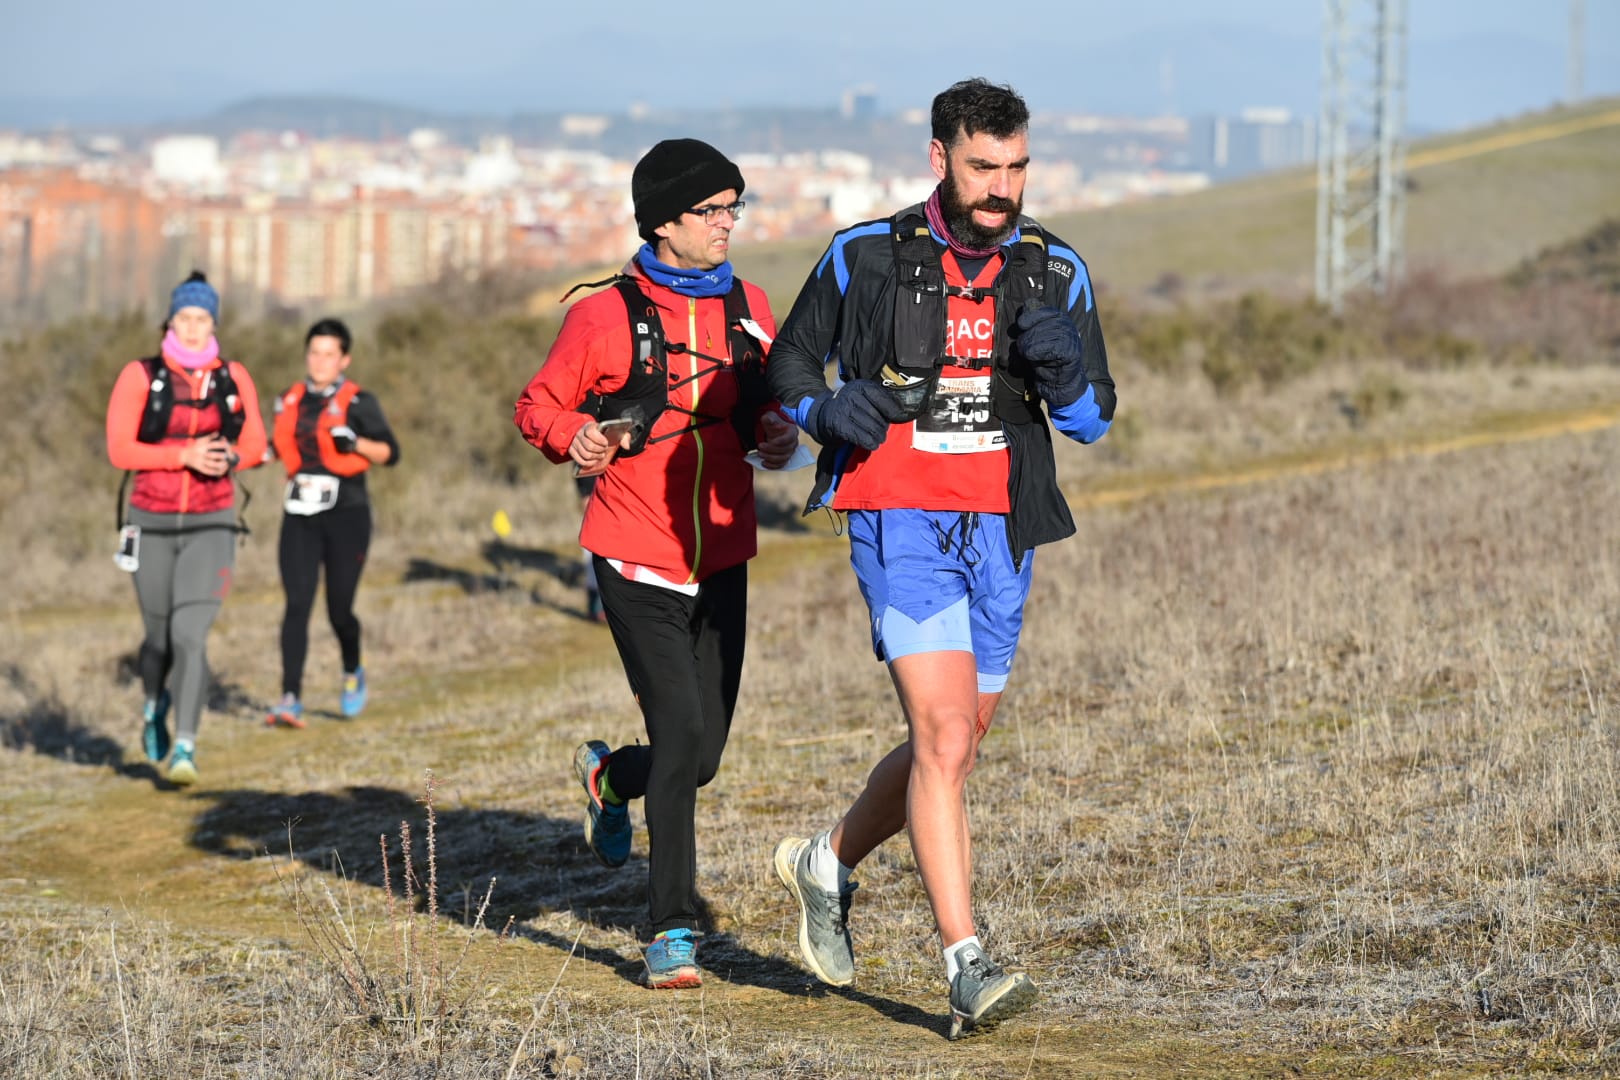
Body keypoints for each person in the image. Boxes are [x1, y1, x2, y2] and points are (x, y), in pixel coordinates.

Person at [764, 78, 1116, 1038]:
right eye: (983, 167)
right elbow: (788, 363)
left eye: (1017, 168)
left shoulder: (1056, 269)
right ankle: (966, 962)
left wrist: (1062, 370)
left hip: (1001, 528)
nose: (1003, 188)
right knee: (945, 734)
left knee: (955, 746)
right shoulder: (864, 255)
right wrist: (823, 409)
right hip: (898, 516)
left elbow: (1092, 421)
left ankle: (827, 861)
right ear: (939, 158)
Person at [514, 138, 800, 989]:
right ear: (664, 222)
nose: (727, 223)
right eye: (711, 210)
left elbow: (770, 412)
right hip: (635, 557)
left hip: (724, 552)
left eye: (733, 208)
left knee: (701, 756)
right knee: (680, 735)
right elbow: (537, 404)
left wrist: (777, 435)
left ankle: (610, 778)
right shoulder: (603, 315)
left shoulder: (750, 306)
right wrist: (576, 435)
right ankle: (671, 929)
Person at [105, 271, 268, 786]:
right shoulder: (140, 376)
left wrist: (231, 457)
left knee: (190, 634)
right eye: (184, 318)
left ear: (213, 323)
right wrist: (184, 455)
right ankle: (154, 704)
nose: (194, 328)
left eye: (202, 319)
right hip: (150, 522)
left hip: (212, 522)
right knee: (158, 640)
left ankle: (185, 747)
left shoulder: (232, 377)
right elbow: (120, 450)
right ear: (169, 322)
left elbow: (258, 445)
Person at [265, 318, 399, 728]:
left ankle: (352, 668)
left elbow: (390, 453)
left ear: (344, 360)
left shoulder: (360, 402)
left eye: (329, 354)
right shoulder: (288, 399)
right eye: (314, 352)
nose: (320, 361)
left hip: (347, 516)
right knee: (296, 604)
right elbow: (277, 446)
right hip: (299, 515)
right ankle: (290, 698)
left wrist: (356, 443)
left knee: (339, 609)